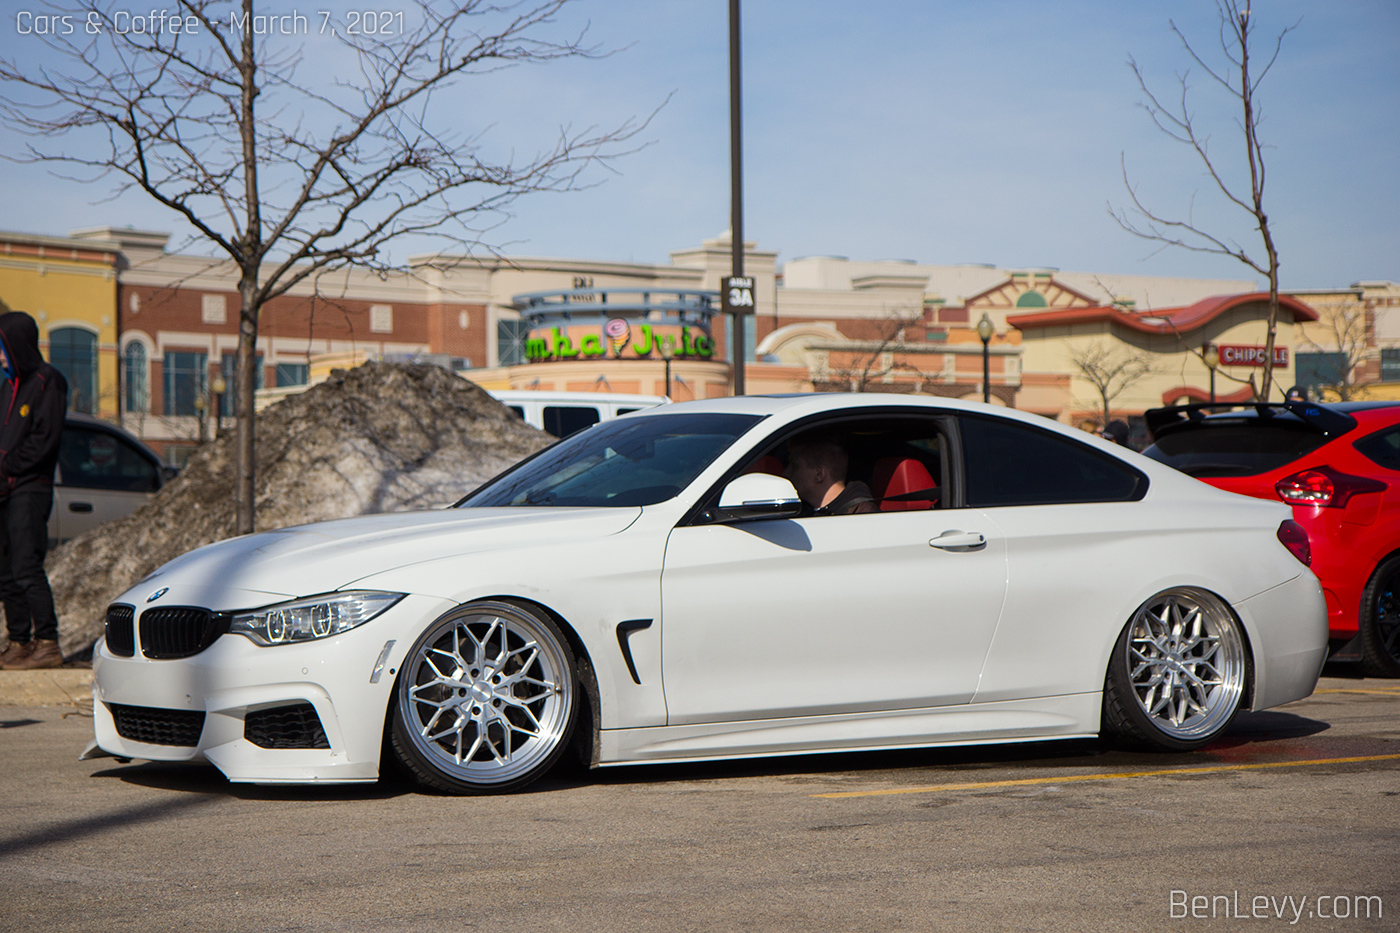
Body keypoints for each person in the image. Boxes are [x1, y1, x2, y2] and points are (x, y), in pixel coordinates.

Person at [0, 311, 68, 670]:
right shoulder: (10, 386)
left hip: (31, 488)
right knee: (6, 571)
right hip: (5, 490)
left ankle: (47, 642)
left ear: (18, 345)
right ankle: (19, 641)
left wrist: (6, 466)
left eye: (2, 348)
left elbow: (44, 439)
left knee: (27, 566)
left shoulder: (48, 382)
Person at [786, 433, 877, 516]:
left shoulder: (861, 514)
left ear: (819, 474)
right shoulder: (803, 511)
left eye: (795, 466)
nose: (786, 473)